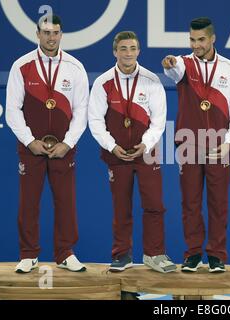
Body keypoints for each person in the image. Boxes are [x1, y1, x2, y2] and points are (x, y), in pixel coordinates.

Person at [5, 15, 89, 273]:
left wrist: (68, 142)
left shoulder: (74, 67)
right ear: (37, 34)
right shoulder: (22, 66)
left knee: (66, 201)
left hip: (64, 148)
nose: (51, 37)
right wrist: (30, 141)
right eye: (46, 32)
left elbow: (82, 110)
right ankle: (28, 254)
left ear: (61, 34)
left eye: (55, 32)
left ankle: (65, 253)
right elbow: (12, 109)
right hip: (31, 148)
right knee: (28, 201)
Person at [88, 31, 176, 273]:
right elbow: (95, 120)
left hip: (146, 153)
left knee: (155, 205)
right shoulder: (103, 82)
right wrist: (112, 146)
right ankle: (121, 255)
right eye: (123, 48)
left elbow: (159, 120)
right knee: (121, 207)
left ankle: (154, 255)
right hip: (116, 154)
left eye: (132, 48)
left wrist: (146, 144)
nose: (128, 53)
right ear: (115, 51)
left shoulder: (151, 80)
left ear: (139, 51)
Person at [162, 17, 230, 273]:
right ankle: (193, 254)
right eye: (192, 40)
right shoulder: (184, 65)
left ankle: (217, 255)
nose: (196, 45)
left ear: (212, 39)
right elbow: (172, 69)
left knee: (219, 204)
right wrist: (169, 63)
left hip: (219, 147)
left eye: (200, 40)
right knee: (191, 203)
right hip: (188, 144)